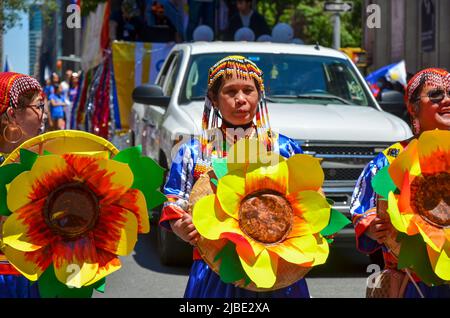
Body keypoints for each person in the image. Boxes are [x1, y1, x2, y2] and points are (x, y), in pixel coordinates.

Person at [159, 55, 310, 298]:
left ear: (259, 95)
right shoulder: (193, 152)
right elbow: (174, 202)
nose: (241, 99)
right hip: (216, 268)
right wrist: (179, 225)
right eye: (230, 92)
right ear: (214, 100)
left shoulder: (282, 149)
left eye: (248, 90)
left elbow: (309, 198)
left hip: (274, 267)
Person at [350, 68, 450, 298]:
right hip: (411, 281)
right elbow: (364, 206)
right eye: (435, 95)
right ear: (413, 107)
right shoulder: (391, 160)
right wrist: (373, 227)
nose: (446, 100)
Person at [0, 72, 46, 297]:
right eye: (39, 106)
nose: (43, 115)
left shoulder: (45, 161)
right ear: (12, 114)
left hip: (33, 279)